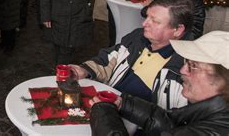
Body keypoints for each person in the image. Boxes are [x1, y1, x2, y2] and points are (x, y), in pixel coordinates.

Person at [90, 30, 229, 136]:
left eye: (193, 66)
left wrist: (103, 111)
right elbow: (170, 122)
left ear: (225, 80)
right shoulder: (214, 111)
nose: (182, 70)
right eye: (186, 62)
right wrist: (123, 104)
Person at [69, 0, 195, 110]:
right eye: (147, 17)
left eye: (155, 21)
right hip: (108, 107)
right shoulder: (138, 37)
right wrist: (84, 70)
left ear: (178, 30)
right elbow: (109, 59)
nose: (144, 23)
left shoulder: (187, 68)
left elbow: (174, 120)